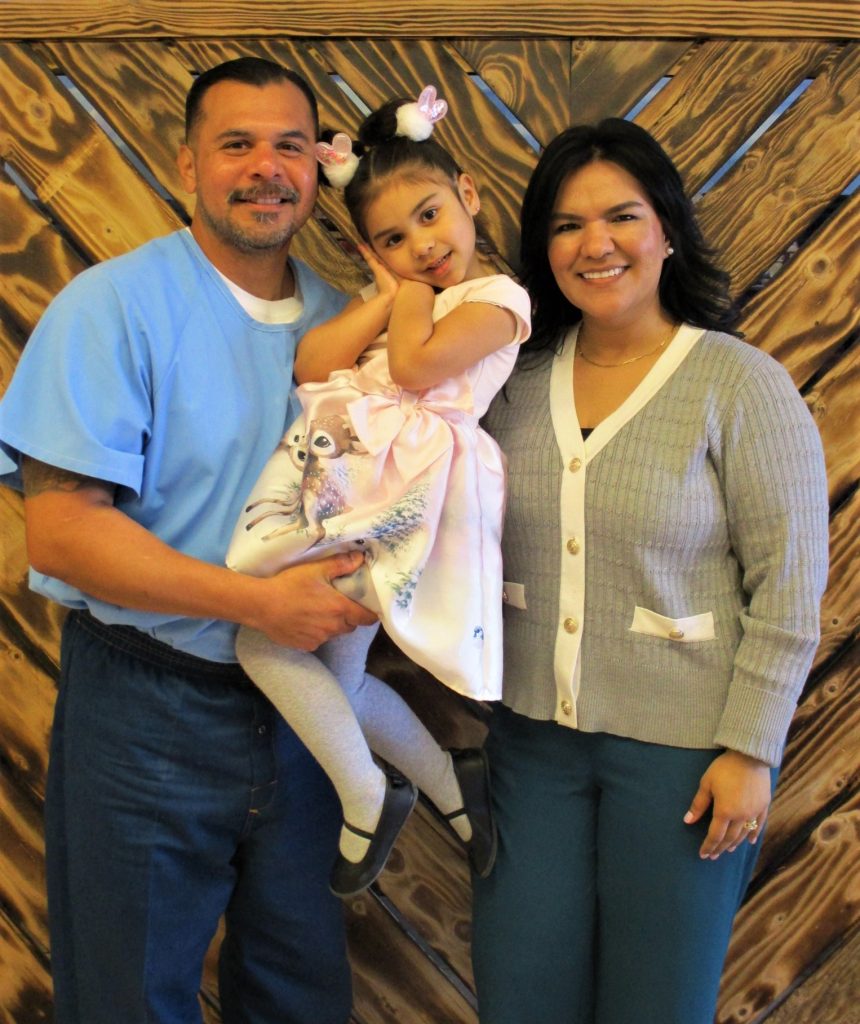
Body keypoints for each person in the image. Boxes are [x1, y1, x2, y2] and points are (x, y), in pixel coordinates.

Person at [0, 57, 380, 1024]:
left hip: (310, 719)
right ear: (186, 164)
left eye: (289, 145)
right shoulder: (113, 308)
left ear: (317, 165)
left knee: (300, 997)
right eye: (237, 144)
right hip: (146, 710)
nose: (266, 168)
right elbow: (64, 534)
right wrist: (260, 604)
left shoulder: (352, 327)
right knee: (129, 999)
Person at [470, 118, 830, 1024]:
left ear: (667, 230)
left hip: (686, 766)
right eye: (565, 225)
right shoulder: (504, 384)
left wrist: (752, 749)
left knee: (656, 1006)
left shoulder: (740, 385)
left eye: (621, 217)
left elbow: (788, 586)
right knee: (521, 998)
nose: (595, 245)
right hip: (530, 748)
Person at [225, 86, 531, 897]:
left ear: (468, 195)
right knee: (339, 673)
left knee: (262, 641)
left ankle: (368, 793)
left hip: (409, 499)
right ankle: (448, 783)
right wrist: (388, 295)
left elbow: (417, 368)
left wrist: (407, 295)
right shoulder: (403, 297)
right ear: (369, 250)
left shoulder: (498, 298)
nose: (422, 246)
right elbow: (311, 363)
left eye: (430, 216)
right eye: (393, 239)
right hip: (355, 482)